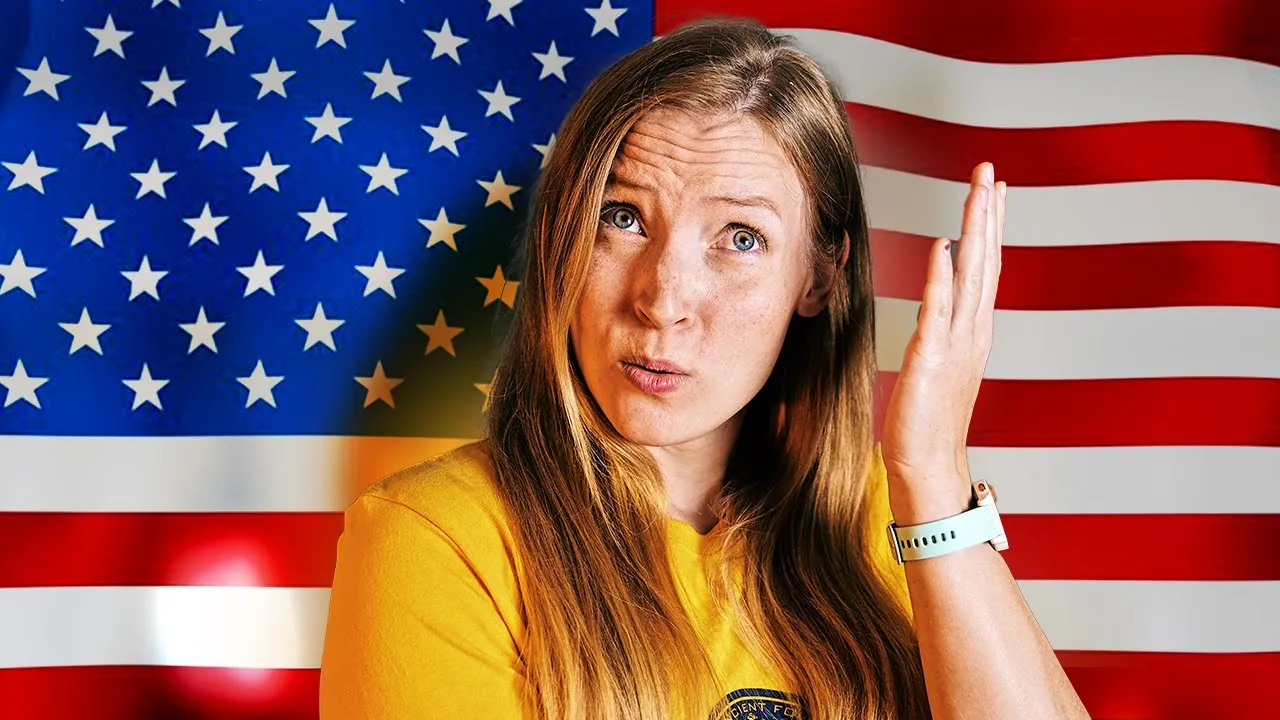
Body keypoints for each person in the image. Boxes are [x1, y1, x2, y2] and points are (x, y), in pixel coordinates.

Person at [318, 16, 1089, 720]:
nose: (663, 300)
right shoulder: (435, 537)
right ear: (561, 240)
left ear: (820, 277)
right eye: (622, 217)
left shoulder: (897, 519)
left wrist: (933, 476)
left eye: (740, 238)